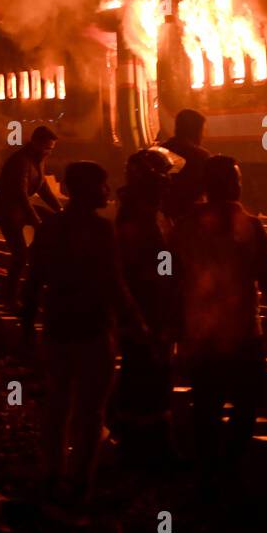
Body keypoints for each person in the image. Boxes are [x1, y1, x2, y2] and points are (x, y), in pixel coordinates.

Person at [21, 161, 144, 502]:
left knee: (58, 404)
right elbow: (114, 283)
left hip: (58, 328)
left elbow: (34, 281)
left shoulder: (50, 229)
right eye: (103, 184)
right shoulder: (102, 231)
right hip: (94, 330)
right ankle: (79, 481)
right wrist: (137, 322)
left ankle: (51, 474)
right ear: (89, 189)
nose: (107, 191)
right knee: (91, 411)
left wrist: (27, 325)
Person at [170, 155, 267, 477]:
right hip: (242, 333)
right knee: (247, 402)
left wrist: (175, 326)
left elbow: (168, 274)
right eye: (235, 179)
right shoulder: (250, 227)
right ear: (234, 185)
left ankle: (208, 469)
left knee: (206, 405)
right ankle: (231, 463)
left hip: (201, 332)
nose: (238, 184)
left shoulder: (184, 227)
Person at [112, 147, 180, 467]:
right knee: (147, 377)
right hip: (147, 312)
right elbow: (149, 270)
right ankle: (144, 450)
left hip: (152, 311)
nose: (168, 183)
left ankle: (141, 445)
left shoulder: (151, 213)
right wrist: (149, 320)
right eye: (164, 177)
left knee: (150, 377)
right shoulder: (140, 218)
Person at [0, 126, 63, 308]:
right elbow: (20, 194)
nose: (48, 152)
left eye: (51, 149)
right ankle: (10, 297)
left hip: (21, 208)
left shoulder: (38, 159)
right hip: (7, 210)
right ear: (35, 143)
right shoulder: (21, 161)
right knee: (20, 254)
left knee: (53, 221)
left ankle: (36, 252)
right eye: (46, 148)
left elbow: (43, 187)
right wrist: (36, 222)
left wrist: (60, 210)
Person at [162, 109, 211, 218]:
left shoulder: (160, 151)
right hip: (191, 217)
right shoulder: (200, 156)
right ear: (195, 131)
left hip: (165, 215)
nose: (203, 136)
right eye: (202, 131)